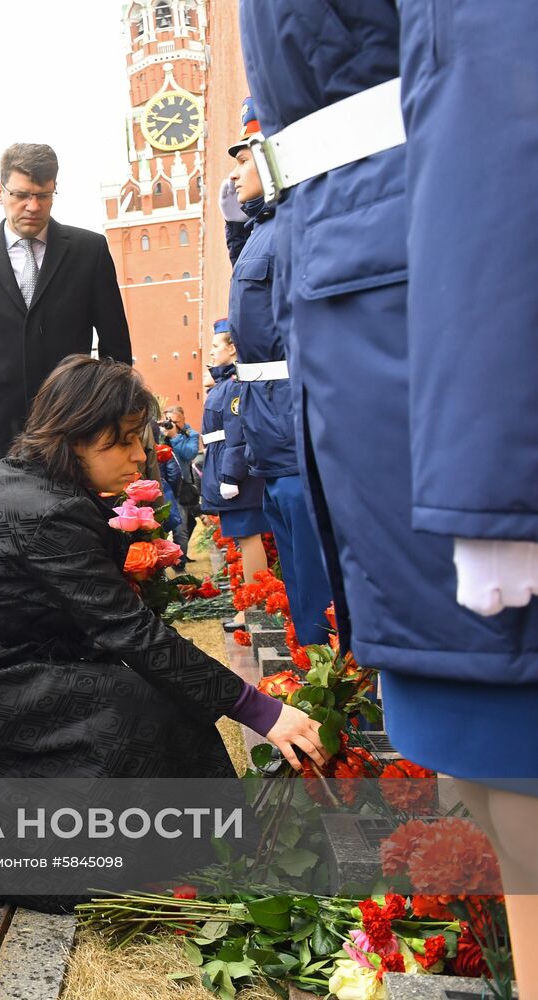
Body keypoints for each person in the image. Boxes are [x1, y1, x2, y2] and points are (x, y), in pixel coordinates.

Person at [240, 1, 538, 989]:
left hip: (434, 343)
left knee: (516, 778)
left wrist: (500, 476)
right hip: (381, 330)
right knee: (488, 779)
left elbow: (497, 78)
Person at [0, 356, 324, 781]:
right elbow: (129, 631)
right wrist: (261, 711)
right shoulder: (47, 511)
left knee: (158, 699)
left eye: (140, 439)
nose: (140, 456)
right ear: (73, 435)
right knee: (142, 712)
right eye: (122, 442)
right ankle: (196, 844)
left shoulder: (23, 475)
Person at [224, 98, 332, 648]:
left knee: (320, 586)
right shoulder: (265, 228)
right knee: (299, 578)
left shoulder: (291, 225)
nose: (234, 171)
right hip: (273, 432)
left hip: (290, 428)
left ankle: (348, 707)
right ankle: (318, 684)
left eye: (242, 158)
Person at [0, 143, 132, 453]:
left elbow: (116, 347)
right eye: (21, 195)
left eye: (43, 196)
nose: (33, 206)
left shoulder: (90, 251)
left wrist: (112, 415)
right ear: (0, 192)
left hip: (74, 422)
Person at [200, 321, 270, 628]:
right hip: (224, 465)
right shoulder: (227, 383)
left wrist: (231, 475)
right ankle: (253, 604)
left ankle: (255, 606)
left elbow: (237, 434)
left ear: (232, 348)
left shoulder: (235, 385)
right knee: (245, 538)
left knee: (248, 537)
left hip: (235, 474)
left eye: (217, 346)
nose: (212, 351)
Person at [160, 404, 200, 557]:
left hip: (184, 486)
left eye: (176, 421)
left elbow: (190, 454)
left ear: (183, 420)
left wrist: (175, 437)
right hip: (169, 485)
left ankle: (180, 558)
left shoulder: (191, 435)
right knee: (180, 528)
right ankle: (179, 561)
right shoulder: (162, 435)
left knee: (188, 523)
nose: (172, 424)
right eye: (169, 420)